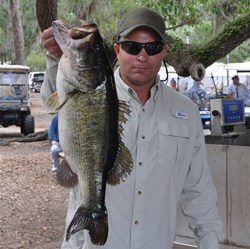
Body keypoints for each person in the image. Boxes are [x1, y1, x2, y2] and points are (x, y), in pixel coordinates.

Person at [41, 7, 224, 249]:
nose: (142, 56)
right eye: (132, 46)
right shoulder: (88, 92)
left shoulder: (186, 112)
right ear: (117, 49)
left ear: (164, 51)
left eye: (152, 48)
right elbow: (51, 100)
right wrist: (55, 57)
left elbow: (199, 191)